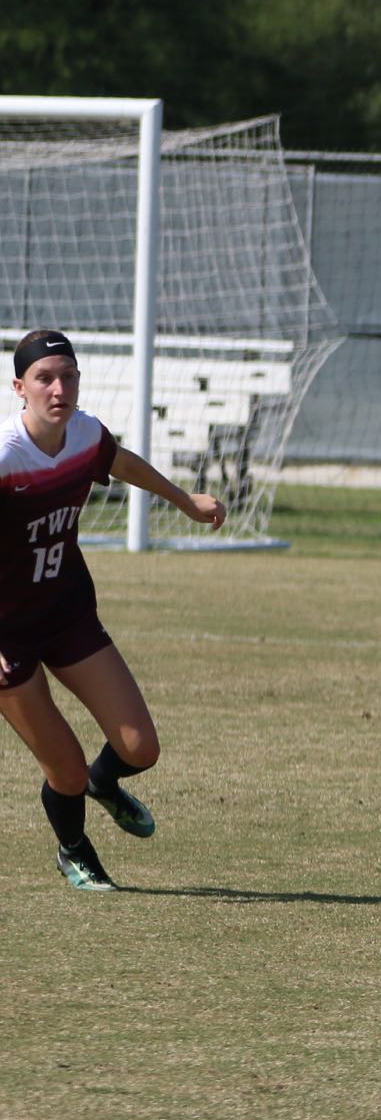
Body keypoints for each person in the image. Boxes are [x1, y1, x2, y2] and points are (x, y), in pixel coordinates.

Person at [2, 329, 225, 892]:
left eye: (69, 376)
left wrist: (185, 501)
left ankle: (107, 785)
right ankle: (73, 849)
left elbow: (122, 463)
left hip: (67, 613)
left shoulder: (84, 434)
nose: (59, 388)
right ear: (19, 387)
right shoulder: (5, 456)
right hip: (8, 638)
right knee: (66, 770)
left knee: (139, 747)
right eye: (45, 378)